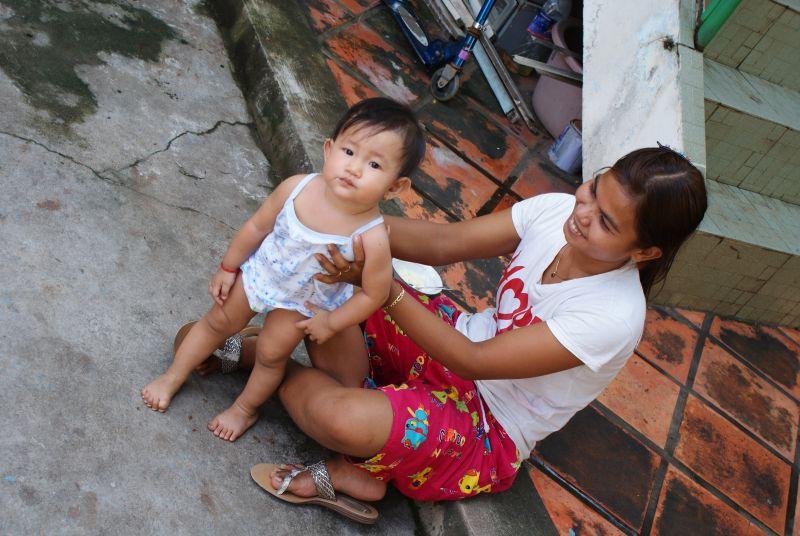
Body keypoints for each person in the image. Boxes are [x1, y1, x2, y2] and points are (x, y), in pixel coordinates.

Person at [204, 146, 707, 519]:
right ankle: (362, 457)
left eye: (605, 222)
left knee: (341, 412)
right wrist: (338, 218)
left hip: (488, 423)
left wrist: (382, 288)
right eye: (593, 190)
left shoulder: (613, 317)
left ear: (643, 252)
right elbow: (445, 242)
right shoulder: (558, 211)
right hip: (450, 339)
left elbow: (475, 363)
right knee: (336, 278)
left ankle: (266, 363)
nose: (582, 214)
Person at [140, 98, 425, 442]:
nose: (355, 168)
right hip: (262, 274)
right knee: (216, 321)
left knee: (272, 355)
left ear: (396, 187)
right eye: (349, 152)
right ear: (329, 149)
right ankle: (173, 377)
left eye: (375, 164)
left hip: (302, 304)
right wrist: (228, 267)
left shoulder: (373, 237)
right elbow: (256, 227)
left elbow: (375, 293)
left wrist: (331, 322)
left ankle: (244, 409)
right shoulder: (297, 187)